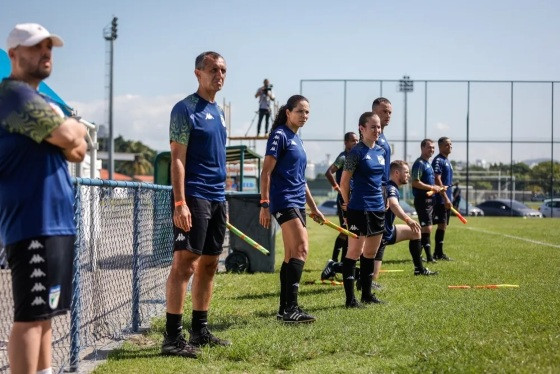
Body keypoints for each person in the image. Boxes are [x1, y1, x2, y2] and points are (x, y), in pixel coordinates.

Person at [0, 23, 87, 373]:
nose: (46, 53)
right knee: (31, 317)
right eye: (36, 47)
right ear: (14, 55)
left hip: (56, 223)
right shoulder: (14, 96)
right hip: (31, 220)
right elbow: (70, 134)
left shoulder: (42, 101)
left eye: (49, 47)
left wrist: (68, 131)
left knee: (48, 314)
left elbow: (77, 152)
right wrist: (70, 125)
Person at [163, 51, 231, 359]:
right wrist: (180, 202)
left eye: (224, 70)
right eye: (214, 69)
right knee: (185, 264)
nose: (220, 75)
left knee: (210, 264)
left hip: (218, 197)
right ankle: (172, 337)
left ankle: (199, 330)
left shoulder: (219, 112)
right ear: (197, 73)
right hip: (193, 195)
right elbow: (177, 158)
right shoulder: (184, 109)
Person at [259, 94, 325, 323]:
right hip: (284, 200)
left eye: (307, 112)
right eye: (300, 111)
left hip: (297, 200)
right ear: (288, 112)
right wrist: (264, 204)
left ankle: (285, 310)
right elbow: (266, 172)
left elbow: (301, 180)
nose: (304, 116)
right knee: (302, 249)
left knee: (291, 256)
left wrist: (314, 207)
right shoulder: (280, 135)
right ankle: (291, 308)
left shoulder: (298, 138)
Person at [339, 112, 386, 308]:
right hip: (359, 208)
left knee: (371, 253)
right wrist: (348, 204)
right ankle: (350, 300)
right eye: (373, 127)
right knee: (354, 252)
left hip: (378, 208)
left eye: (378, 127)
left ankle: (367, 294)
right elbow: (343, 183)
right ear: (362, 128)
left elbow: (381, 181)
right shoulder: (355, 153)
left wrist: (385, 200)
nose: (377, 130)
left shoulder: (381, 151)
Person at [372, 160, 438, 280]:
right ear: (397, 173)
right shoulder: (391, 188)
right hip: (380, 236)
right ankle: (336, 267)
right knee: (373, 277)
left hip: (388, 231)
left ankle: (419, 269)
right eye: (406, 172)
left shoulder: (390, 186)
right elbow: (393, 204)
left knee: (415, 232)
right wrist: (408, 219)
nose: (409, 175)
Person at [323, 132, 358, 265]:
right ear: (346, 143)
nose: (355, 143)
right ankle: (334, 260)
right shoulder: (343, 157)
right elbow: (329, 172)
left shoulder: (354, 157)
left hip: (353, 198)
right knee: (345, 230)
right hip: (344, 198)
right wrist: (337, 187)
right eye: (352, 141)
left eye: (357, 140)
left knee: (351, 230)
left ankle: (344, 261)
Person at [411, 139, 443, 263]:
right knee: (426, 228)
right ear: (422, 148)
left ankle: (422, 255)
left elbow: (430, 183)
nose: (432, 150)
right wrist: (431, 187)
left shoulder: (428, 163)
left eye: (433, 148)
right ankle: (429, 257)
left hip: (430, 200)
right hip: (422, 200)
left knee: (427, 228)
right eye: (429, 147)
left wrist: (438, 188)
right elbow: (415, 182)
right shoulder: (419, 163)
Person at [432, 137, 454, 261]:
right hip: (440, 199)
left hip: (445, 199)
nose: (450, 146)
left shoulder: (447, 160)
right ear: (440, 147)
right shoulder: (439, 160)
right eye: (447, 144)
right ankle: (437, 253)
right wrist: (445, 198)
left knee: (443, 225)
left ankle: (438, 253)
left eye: (451, 144)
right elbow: (437, 178)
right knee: (440, 225)